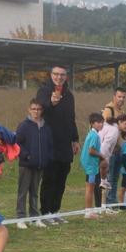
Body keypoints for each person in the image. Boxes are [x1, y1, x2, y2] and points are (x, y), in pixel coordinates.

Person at [36, 66, 80, 225]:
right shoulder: (43, 91)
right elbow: (39, 110)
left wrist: (75, 139)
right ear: (51, 75)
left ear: (66, 77)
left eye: (62, 75)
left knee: (61, 179)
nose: (59, 77)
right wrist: (51, 103)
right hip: (49, 142)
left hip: (65, 143)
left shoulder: (69, 95)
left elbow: (71, 119)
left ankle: (55, 211)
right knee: (49, 178)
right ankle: (45, 212)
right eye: (56, 74)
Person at [13, 98, 52, 228]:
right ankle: (20, 218)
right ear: (29, 110)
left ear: (42, 111)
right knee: (23, 191)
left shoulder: (46, 127)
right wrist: (27, 156)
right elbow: (17, 143)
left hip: (40, 164)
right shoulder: (24, 126)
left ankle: (34, 217)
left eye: (39, 109)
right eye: (34, 109)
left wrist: (47, 158)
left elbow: (49, 145)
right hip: (26, 164)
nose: (36, 111)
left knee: (35, 192)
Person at [79, 113, 104, 219]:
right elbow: (91, 150)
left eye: (102, 122)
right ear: (92, 123)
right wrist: (101, 155)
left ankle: (89, 211)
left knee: (91, 188)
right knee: (90, 189)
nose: (101, 124)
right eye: (98, 122)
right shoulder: (94, 135)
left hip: (91, 165)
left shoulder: (92, 133)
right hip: (91, 166)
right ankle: (88, 212)